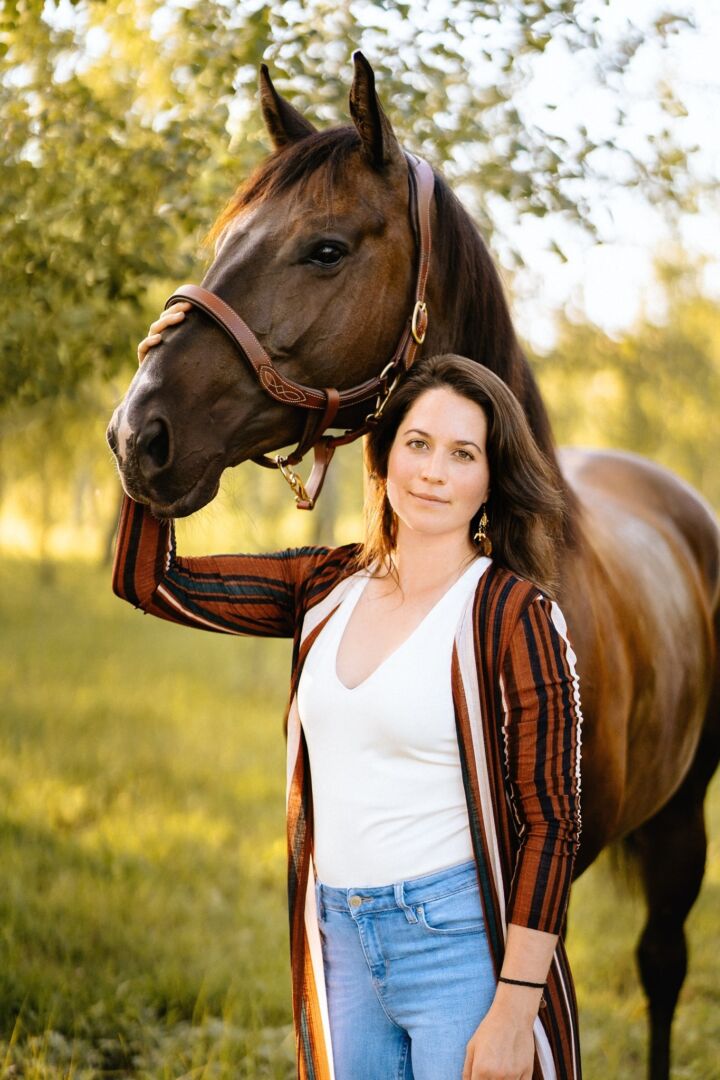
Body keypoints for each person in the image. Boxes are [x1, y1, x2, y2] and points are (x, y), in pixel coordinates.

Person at [113, 305, 583, 1080]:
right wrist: (151, 408)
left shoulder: (513, 615)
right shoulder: (325, 585)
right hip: (340, 941)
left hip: (461, 949)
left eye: (463, 454)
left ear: (493, 477)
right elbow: (152, 580)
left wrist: (514, 1009)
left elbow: (550, 826)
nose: (434, 472)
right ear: (385, 456)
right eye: (418, 444)